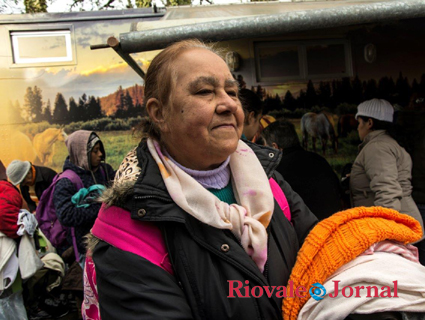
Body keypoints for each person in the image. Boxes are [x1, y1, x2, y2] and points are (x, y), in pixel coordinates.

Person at [83, 39, 317, 320]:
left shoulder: (270, 182)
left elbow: (326, 255)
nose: (229, 103)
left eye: (232, 91)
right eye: (205, 91)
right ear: (159, 113)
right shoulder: (129, 228)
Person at [350, 99, 423, 231]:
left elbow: (387, 192)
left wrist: (385, 233)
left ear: (370, 123)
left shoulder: (377, 147)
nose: (357, 127)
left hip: (397, 230)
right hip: (403, 224)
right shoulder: (387, 143)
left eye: (359, 122)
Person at [53, 130, 115, 264]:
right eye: (95, 151)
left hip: (111, 240)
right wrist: (103, 207)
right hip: (86, 249)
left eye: (100, 150)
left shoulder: (105, 170)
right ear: (82, 153)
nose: (100, 155)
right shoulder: (66, 181)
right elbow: (66, 215)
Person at [262, 120, 342, 220]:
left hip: (308, 231)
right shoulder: (320, 160)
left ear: (274, 147)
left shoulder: (276, 172)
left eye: (265, 147)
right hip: (334, 224)